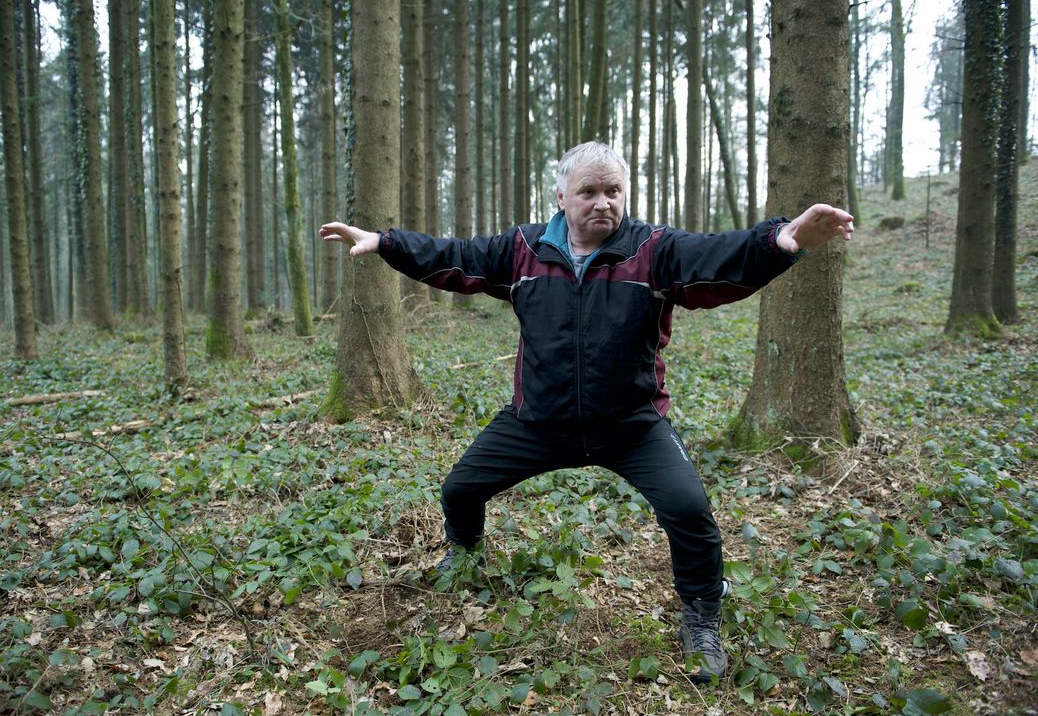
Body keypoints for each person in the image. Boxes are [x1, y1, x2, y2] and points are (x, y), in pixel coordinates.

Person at [319, 141, 854, 682]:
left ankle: (702, 615)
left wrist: (780, 241)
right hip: (538, 424)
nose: (603, 202)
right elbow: (454, 257)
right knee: (460, 489)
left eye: (613, 191)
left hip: (631, 428)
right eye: (589, 191)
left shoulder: (653, 250)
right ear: (561, 197)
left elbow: (717, 257)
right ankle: (464, 553)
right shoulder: (523, 250)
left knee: (691, 513)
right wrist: (385, 243)